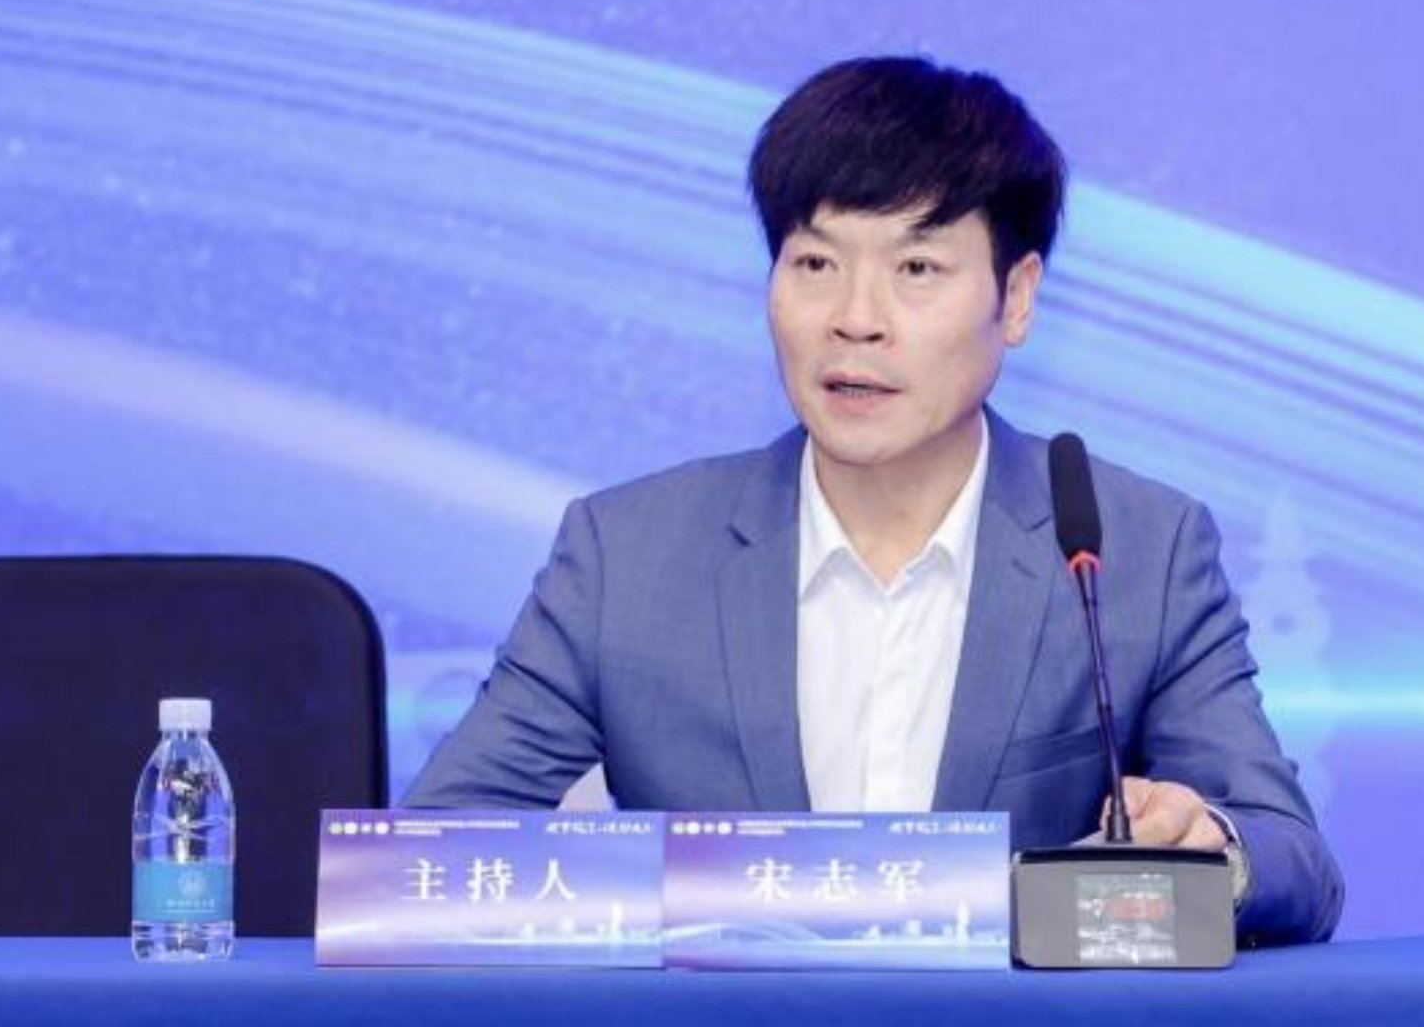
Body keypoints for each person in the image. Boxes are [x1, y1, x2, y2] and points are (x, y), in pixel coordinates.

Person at [405, 56, 1344, 946]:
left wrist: (1205, 846)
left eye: (916, 270)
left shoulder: (1130, 548)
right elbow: (433, 860)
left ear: (1017, 298)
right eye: (815, 265)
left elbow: (1295, 862)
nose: (855, 319)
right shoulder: (628, 553)